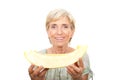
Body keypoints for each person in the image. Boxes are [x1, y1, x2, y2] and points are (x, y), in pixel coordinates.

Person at [28, 9, 93, 80]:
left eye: (65, 26)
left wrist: (77, 78)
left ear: (72, 31)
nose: (59, 32)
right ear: (48, 31)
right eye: (53, 27)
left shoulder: (81, 57)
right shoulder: (38, 57)